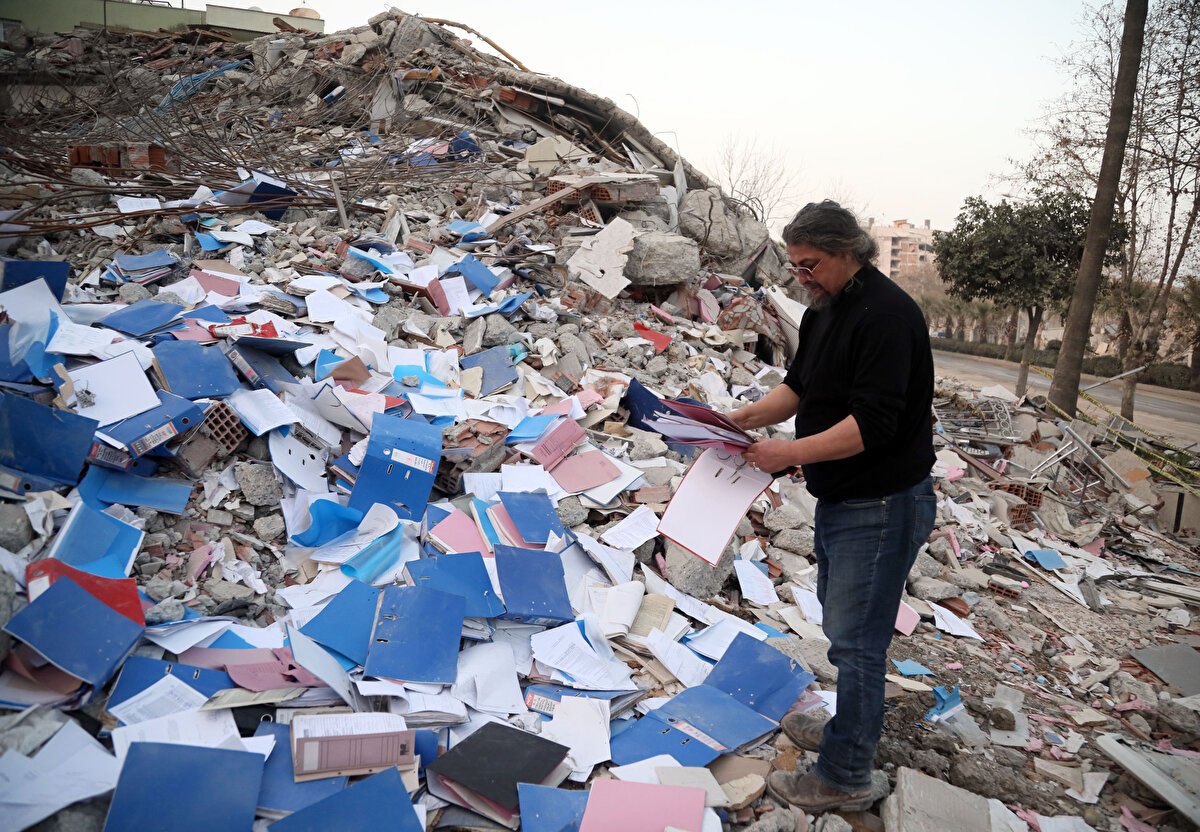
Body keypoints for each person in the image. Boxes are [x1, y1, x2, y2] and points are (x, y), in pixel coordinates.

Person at [730, 200, 936, 812]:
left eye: (811, 264)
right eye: (794, 266)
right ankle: (850, 729)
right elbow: (800, 388)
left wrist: (788, 453)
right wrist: (739, 420)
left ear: (849, 252)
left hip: (880, 502)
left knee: (857, 643)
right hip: (844, 500)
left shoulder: (887, 318)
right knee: (845, 631)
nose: (802, 276)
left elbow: (871, 424)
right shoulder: (825, 310)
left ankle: (845, 776)